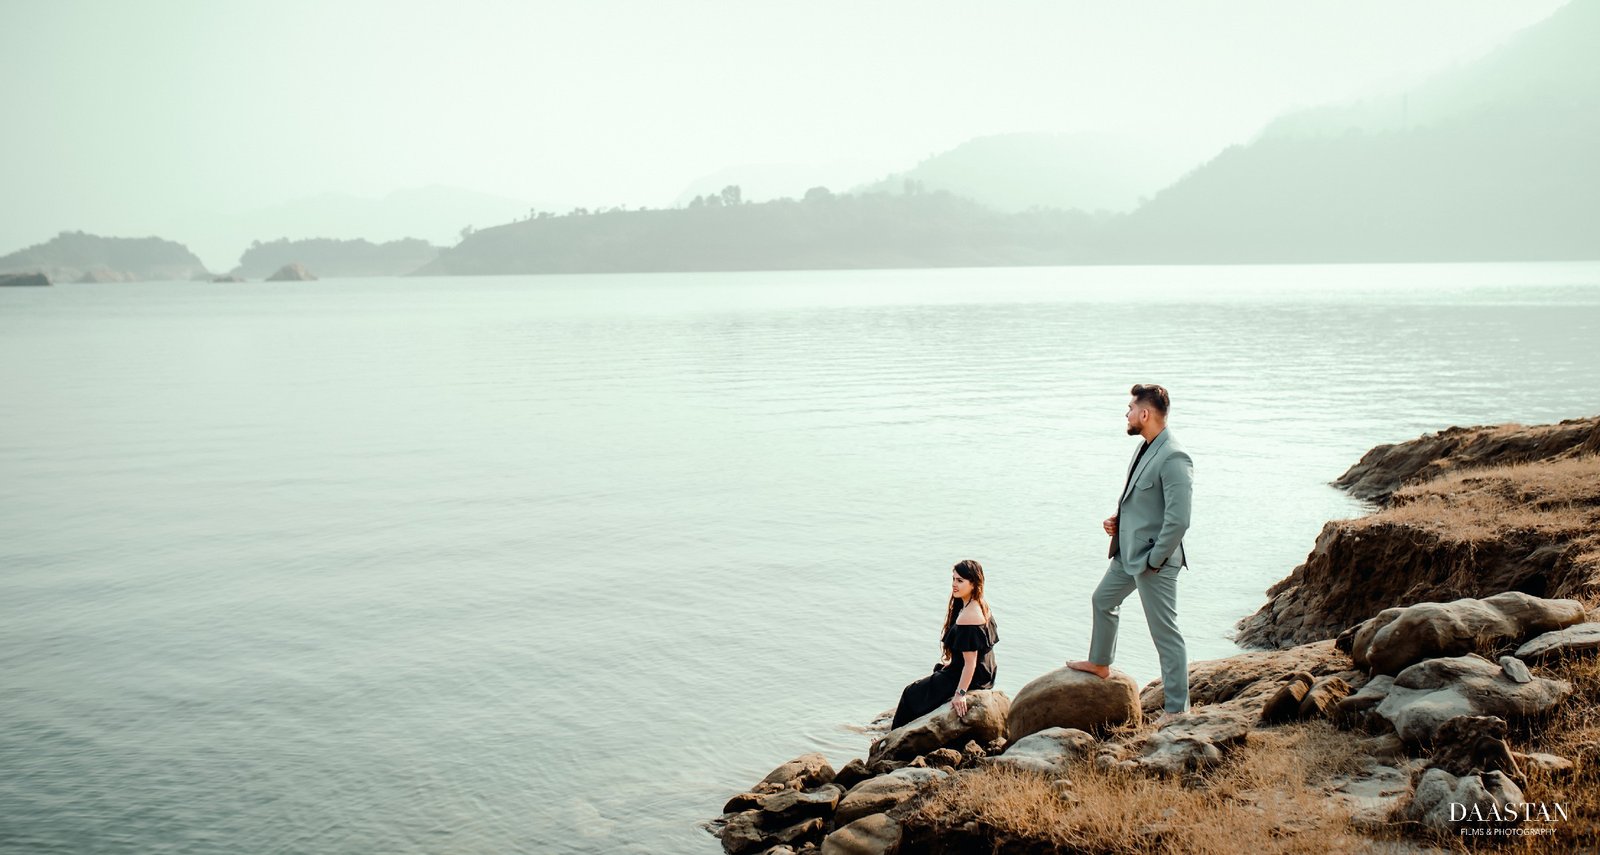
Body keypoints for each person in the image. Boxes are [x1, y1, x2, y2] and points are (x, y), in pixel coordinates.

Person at [1068, 383, 1193, 725]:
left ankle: (1177, 710)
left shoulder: (1174, 456)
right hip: (1128, 554)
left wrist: (1155, 560)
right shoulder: (1145, 448)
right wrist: (1119, 522)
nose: (1126, 414)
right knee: (1102, 600)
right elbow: (1144, 503)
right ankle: (1100, 663)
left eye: (1129, 408)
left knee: (1165, 634)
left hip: (1155, 562)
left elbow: (1179, 519)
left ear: (1145, 413)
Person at [890, 559, 999, 729]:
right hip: (986, 671)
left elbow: (970, 664)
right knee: (938, 669)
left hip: (974, 676)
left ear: (974, 583)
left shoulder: (968, 616)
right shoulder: (981, 604)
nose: (954, 584)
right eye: (953, 579)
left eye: (960, 581)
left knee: (910, 693)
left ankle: (892, 738)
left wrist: (960, 694)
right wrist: (953, 663)